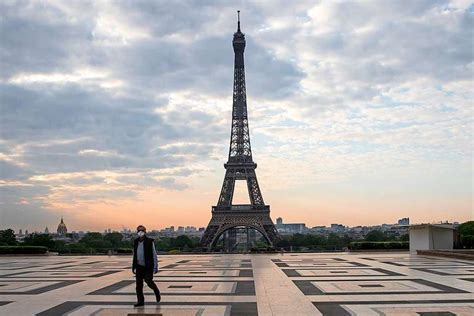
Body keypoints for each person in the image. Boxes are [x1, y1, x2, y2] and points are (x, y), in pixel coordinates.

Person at [132, 225, 161, 307]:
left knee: (148, 281)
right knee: (138, 285)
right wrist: (134, 266)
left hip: (147, 266)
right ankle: (140, 301)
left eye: (142, 230)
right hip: (139, 266)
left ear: (145, 232)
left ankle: (156, 291)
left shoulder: (149, 241)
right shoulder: (136, 241)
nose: (140, 232)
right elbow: (135, 254)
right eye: (139, 230)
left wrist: (155, 266)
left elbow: (154, 254)